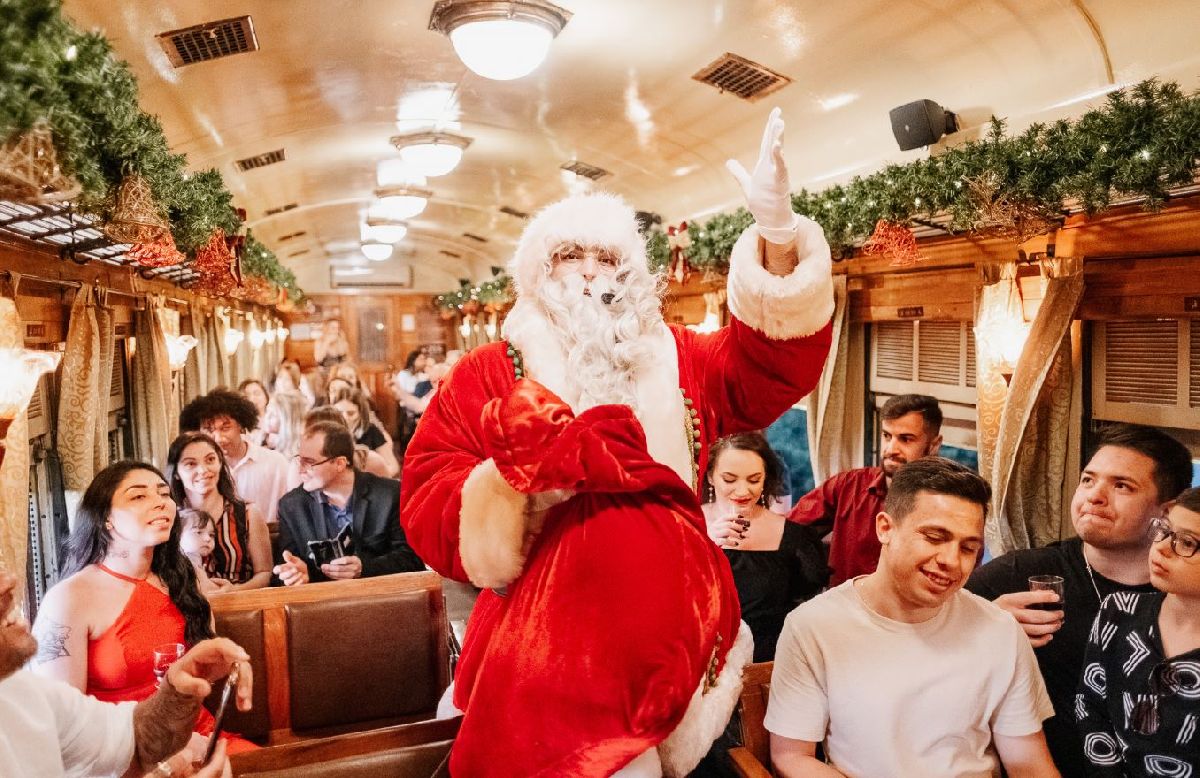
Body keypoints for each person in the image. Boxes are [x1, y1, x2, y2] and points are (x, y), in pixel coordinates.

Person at [401, 108, 834, 777]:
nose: (589, 273)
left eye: (607, 258)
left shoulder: (682, 359)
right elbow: (428, 499)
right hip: (541, 650)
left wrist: (778, 240)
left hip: (674, 638)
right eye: (569, 256)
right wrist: (510, 482)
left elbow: (770, 368)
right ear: (538, 275)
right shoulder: (491, 372)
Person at [765, 457, 1057, 777]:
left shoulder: (1000, 631)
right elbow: (792, 756)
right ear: (885, 528)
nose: (951, 560)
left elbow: (1028, 762)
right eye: (934, 537)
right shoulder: (813, 626)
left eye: (968, 548)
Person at [966, 423, 1193, 778]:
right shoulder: (1017, 573)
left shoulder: (1184, 597)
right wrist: (980, 626)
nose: (1095, 496)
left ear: (1165, 512)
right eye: (1088, 480)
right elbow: (917, 652)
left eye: (1121, 486)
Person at [30, 461, 255, 769]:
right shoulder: (69, 598)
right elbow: (62, 722)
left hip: (199, 734)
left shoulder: (180, 577)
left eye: (164, 494)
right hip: (119, 756)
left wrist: (228, 666)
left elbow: (199, 669)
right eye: (138, 497)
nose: (160, 502)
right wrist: (159, 751)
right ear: (106, 518)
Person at [4, 568, 250, 778]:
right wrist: (166, 770)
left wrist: (177, 693)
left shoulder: (21, 690)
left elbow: (134, 738)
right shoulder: (69, 596)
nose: (9, 580)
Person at [1076, 487, 1200, 776]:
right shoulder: (1119, 610)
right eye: (1164, 530)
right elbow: (1090, 707)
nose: (1162, 547)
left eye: (1187, 542)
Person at [787, 393, 943, 586]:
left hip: (906, 614)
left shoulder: (945, 504)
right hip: (842, 608)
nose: (890, 449)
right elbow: (789, 531)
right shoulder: (848, 485)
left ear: (934, 444)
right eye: (887, 436)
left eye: (906, 439)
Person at [702, 433, 826, 661]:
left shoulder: (796, 538)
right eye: (729, 479)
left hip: (768, 666)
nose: (742, 491)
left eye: (753, 480)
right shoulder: (686, 524)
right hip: (701, 663)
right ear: (710, 476)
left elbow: (804, 609)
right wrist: (703, 545)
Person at [273, 421, 423, 586]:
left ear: (340, 463)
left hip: (382, 598)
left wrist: (365, 569)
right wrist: (297, 573)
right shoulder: (292, 506)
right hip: (322, 603)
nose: (300, 470)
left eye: (309, 463)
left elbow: (413, 560)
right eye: (299, 460)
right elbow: (286, 567)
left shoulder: (389, 495)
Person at [166, 432, 273, 591]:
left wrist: (234, 591)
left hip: (241, 606)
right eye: (190, 464)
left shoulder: (248, 514)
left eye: (210, 460)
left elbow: (265, 573)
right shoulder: (170, 519)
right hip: (189, 609)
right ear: (176, 473)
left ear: (220, 463)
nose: (203, 470)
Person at [180, 389, 290, 525]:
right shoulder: (199, 474)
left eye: (225, 428)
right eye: (209, 430)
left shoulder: (276, 463)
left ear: (241, 426)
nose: (218, 438)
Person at [332, 386, 400, 477]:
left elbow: (393, 466)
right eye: (339, 413)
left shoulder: (371, 431)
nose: (345, 418)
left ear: (361, 413)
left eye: (351, 413)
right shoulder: (327, 433)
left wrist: (369, 479)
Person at [177, 507, 222, 598]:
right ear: (178, 535)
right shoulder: (185, 563)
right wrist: (221, 588)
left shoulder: (197, 560)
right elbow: (206, 589)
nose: (208, 539)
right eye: (198, 532)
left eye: (211, 535)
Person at [238, 379, 271, 447]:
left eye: (257, 394)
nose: (251, 399)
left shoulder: (277, 419)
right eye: (246, 397)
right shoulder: (242, 426)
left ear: (266, 396)